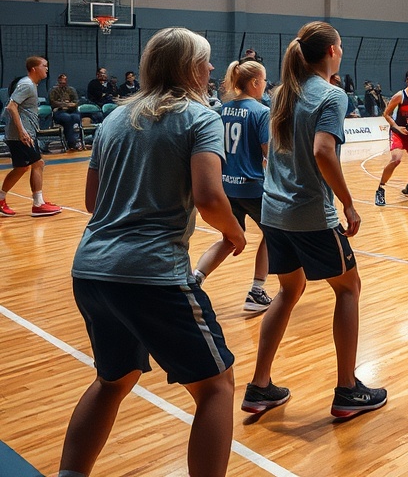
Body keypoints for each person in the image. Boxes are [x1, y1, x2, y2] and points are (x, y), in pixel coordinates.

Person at [59, 28, 246, 477]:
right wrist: (235, 232)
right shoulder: (201, 118)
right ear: (189, 68)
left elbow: (92, 201)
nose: (212, 70)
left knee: (113, 380)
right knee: (217, 387)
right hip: (152, 274)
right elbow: (208, 197)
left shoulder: (112, 120)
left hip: (91, 270)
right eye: (206, 61)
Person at [242, 21, 387, 419]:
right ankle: (347, 390)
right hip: (310, 214)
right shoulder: (331, 95)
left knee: (289, 292)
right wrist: (348, 203)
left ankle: (259, 387)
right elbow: (324, 151)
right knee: (349, 289)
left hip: (274, 213)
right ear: (332, 52)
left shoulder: (280, 93)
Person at [193, 60, 273, 313]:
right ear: (254, 82)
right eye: (264, 80)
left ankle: (194, 281)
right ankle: (257, 292)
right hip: (253, 188)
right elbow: (269, 154)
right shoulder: (261, 112)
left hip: (226, 188)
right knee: (273, 235)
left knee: (229, 239)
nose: (266, 85)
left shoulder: (223, 110)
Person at [1, 57, 62, 217]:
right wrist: (22, 131)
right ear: (34, 68)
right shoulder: (27, 84)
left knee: (22, 167)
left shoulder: (31, 85)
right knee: (38, 163)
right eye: (44, 66)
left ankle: (1, 199)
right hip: (20, 135)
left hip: (21, 134)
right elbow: (11, 107)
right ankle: (38, 204)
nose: (47, 69)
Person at [374, 69, 408, 206]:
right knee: (396, 159)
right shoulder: (400, 96)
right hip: (398, 132)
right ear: (406, 81)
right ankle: (380, 189)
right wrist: (397, 127)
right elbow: (386, 114)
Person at [49, 73, 85, 151]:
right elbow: (53, 102)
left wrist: (66, 105)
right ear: (58, 81)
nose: (63, 83)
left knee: (76, 117)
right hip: (59, 111)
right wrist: (65, 104)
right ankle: (72, 142)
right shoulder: (53, 90)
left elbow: (75, 102)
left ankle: (75, 141)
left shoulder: (71, 90)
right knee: (67, 118)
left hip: (71, 110)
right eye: (61, 81)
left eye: (64, 81)